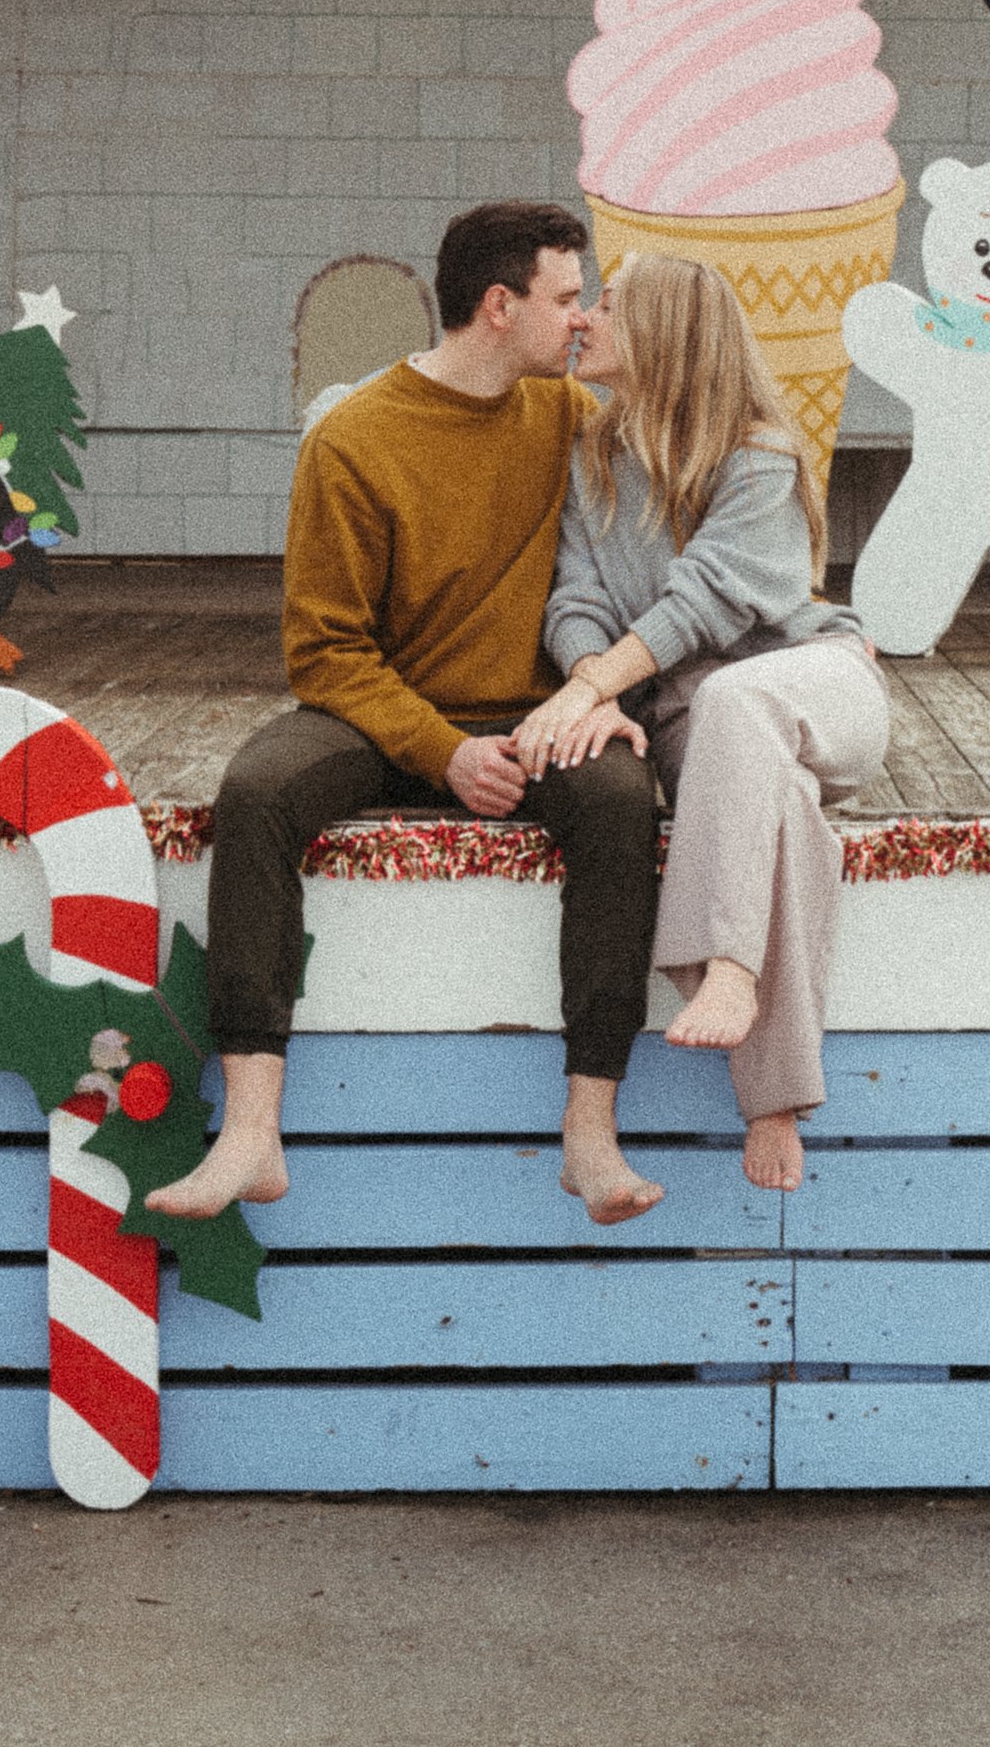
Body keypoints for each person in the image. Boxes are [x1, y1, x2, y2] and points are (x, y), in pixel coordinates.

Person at [147, 201, 668, 1232]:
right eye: (568, 299)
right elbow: (324, 650)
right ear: (497, 304)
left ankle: (590, 1128)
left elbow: (697, 512)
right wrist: (442, 750)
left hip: (533, 718)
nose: (581, 321)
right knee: (253, 794)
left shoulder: (568, 416)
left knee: (618, 800)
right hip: (382, 714)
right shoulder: (355, 438)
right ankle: (251, 1130)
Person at [513, 253, 889, 1193]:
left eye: (607, 306)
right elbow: (577, 602)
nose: (584, 321)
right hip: (696, 719)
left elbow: (707, 603)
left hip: (813, 683)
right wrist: (587, 680)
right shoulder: (593, 456)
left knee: (736, 698)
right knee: (785, 817)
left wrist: (587, 690)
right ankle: (773, 1101)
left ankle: (727, 961)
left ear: (666, 332)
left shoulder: (759, 451)